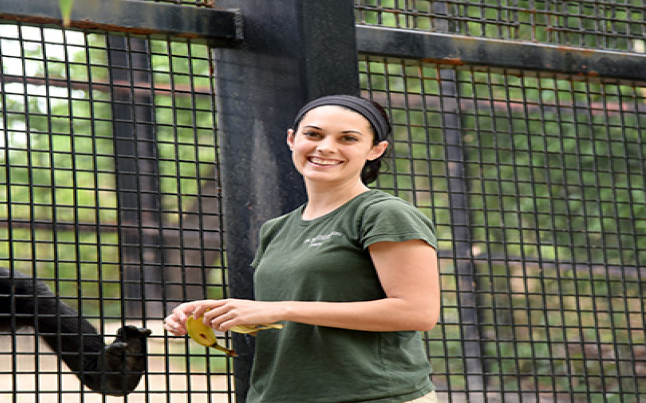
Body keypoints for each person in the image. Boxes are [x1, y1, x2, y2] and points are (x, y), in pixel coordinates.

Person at [164, 95, 441, 402]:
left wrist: (281, 307)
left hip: (372, 396)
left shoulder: (382, 213)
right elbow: (291, 324)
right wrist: (220, 313)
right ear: (292, 140)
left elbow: (418, 312)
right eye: (314, 134)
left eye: (348, 138)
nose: (325, 147)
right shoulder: (277, 229)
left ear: (376, 150)